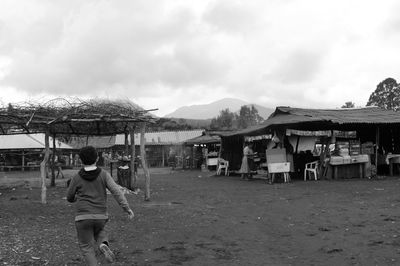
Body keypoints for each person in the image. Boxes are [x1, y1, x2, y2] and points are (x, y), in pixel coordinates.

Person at [66, 146, 134, 265]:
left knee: (86, 247)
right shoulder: (104, 174)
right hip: (100, 216)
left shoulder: (76, 177)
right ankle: (103, 244)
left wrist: (75, 198)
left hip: (82, 217)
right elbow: (116, 191)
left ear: (81, 160)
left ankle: (98, 253)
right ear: (97, 158)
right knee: (100, 230)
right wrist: (126, 208)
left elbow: (69, 197)